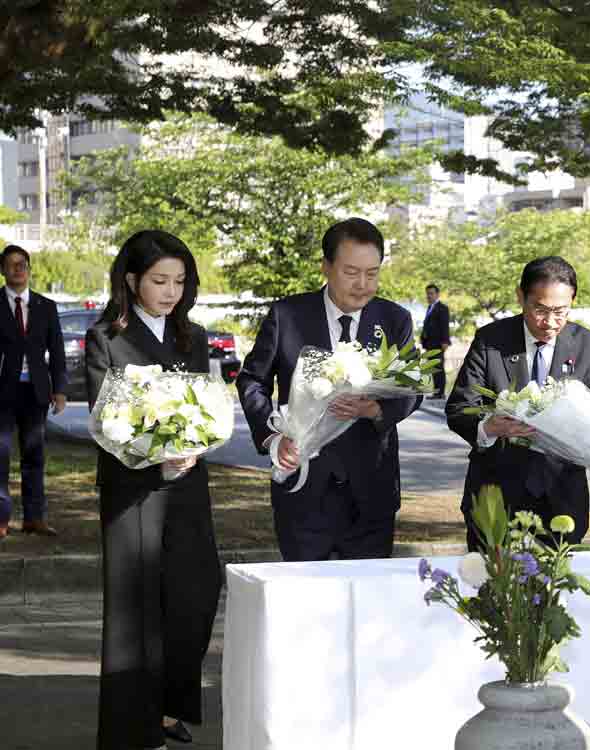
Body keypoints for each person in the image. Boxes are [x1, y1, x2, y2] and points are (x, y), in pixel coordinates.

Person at [85, 231, 223, 749]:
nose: (170, 291)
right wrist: (152, 451)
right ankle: (132, 729)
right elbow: (105, 417)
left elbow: (208, 404)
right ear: (131, 280)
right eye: (160, 280)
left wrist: (198, 442)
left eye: (179, 281)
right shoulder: (105, 337)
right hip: (131, 487)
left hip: (188, 482)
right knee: (134, 608)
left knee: (197, 591)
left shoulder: (195, 335)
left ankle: (170, 703)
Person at [238, 218, 419, 562]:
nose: (363, 284)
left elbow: (412, 387)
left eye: (372, 273)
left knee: (366, 604)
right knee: (307, 604)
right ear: (326, 267)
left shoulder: (395, 319)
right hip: (304, 487)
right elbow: (252, 381)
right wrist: (273, 438)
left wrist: (377, 410)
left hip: (372, 492)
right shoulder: (287, 315)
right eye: (351, 272)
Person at [446, 256, 590, 550]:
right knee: (493, 587)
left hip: (562, 496)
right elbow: (460, 407)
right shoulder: (491, 340)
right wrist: (488, 428)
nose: (550, 322)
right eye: (540, 309)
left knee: (556, 591)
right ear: (520, 296)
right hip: (496, 491)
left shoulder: (588, 345)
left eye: (560, 312)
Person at [0, 244, 67, 538]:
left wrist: (60, 390)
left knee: (34, 455)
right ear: (3, 270)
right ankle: (1, 520)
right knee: (0, 455)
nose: (18, 269)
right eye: (12, 264)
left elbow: (57, 352)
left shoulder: (46, 306)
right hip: (3, 390)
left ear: (29, 269)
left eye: (22, 264)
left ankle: (34, 518)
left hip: (36, 391)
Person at [419, 283, 451, 398]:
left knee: (438, 368)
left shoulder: (442, 308)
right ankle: (436, 391)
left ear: (437, 294)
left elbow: (444, 326)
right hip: (429, 344)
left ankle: (440, 393)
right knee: (433, 368)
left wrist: (445, 341)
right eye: (427, 294)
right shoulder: (429, 308)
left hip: (438, 344)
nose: (429, 296)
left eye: (431, 293)